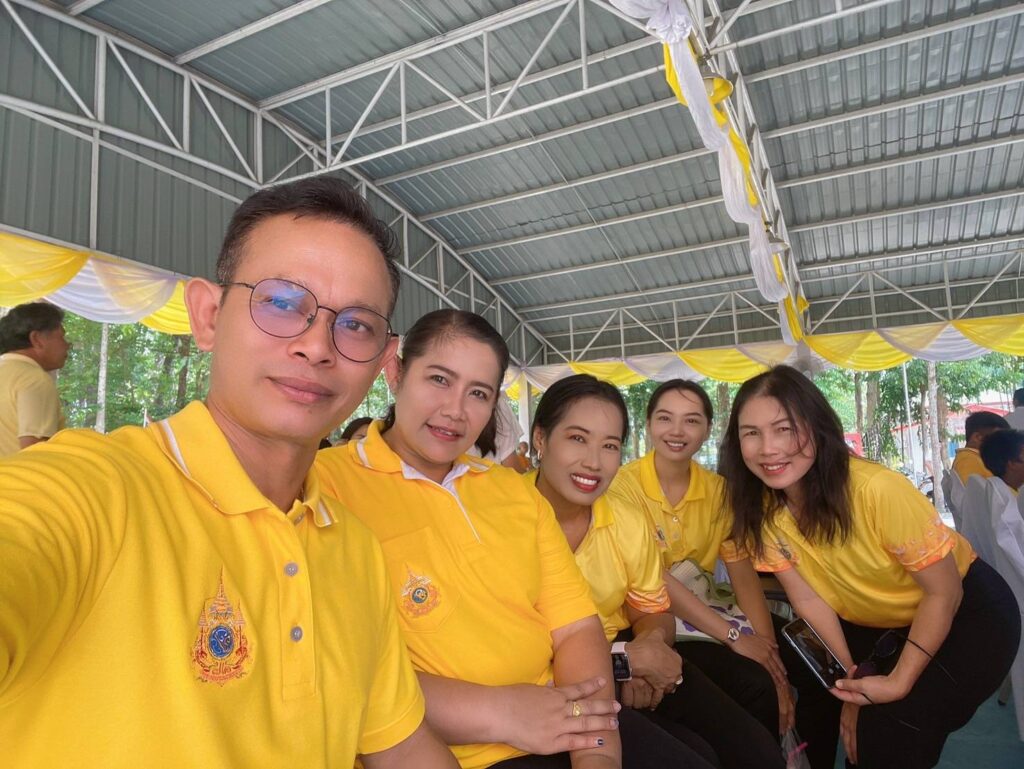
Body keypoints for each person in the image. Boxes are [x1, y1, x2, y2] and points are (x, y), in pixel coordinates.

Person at [0, 178, 458, 768]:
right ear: (208, 316)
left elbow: (398, 745)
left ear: (381, 362)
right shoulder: (96, 491)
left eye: (355, 324)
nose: (317, 346)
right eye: (282, 303)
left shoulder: (354, 550)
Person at [316, 309, 718, 769]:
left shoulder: (512, 491)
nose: (455, 411)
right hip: (448, 747)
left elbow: (576, 627)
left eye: (479, 393)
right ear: (396, 372)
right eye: (439, 380)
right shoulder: (326, 486)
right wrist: (502, 711)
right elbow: (344, 670)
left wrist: (595, 752)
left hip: (564, 716)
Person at [719, 365, 1020, 769]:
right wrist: (852, 683)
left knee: (892, 730)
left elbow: (944, 592)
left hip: (967, 612)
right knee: (863, 733)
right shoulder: (764, 509)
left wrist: (897, 681)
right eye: (751, 433)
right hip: (879, 625)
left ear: (818, 427)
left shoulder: (876, 490)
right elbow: (809, 600)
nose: (768, 448)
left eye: (784, 429)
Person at [531, 374, 786, 769]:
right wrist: (625, 662)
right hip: (549, 674)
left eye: (609, 445)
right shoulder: (504, 512)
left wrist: (649, 647)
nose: (593, 461)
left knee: (755, 749)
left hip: (626, 645)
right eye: (577, 438)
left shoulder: (626, 520)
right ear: (540, 438)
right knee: (697, 757)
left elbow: (652, 608)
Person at [606, 380, 791, 738]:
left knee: (798, 667)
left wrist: (771, 657)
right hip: (648, 620)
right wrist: (735, 637)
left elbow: (743, 575)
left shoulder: (720, 492)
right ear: (649, 424)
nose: (677, 431)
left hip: (704, 613)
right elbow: (655, 578)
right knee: (753, 683)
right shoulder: (621, 486)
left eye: (691, 420)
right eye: (665, 418)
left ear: (708, 429)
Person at [0, 301, 70, 457]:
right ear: (37, 339)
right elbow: (34, 452)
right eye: (62, 336)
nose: (67, 345)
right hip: (18, 473)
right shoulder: (34, 379)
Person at [951, 411, 1010, 484]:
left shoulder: (974, 458)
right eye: (999, 439)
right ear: (977, 437)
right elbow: (971, 490)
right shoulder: (969, 461)